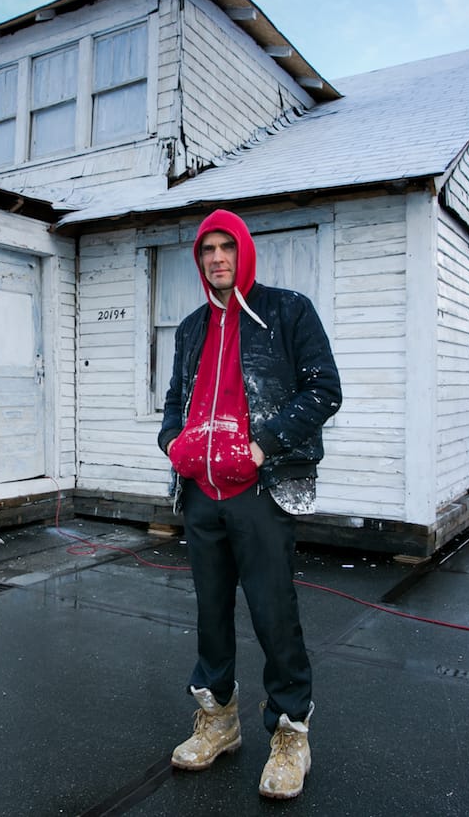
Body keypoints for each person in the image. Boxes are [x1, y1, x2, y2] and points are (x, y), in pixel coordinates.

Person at [157, 209, 342, 799]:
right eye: (207, 249)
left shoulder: (287, 312)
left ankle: (291, 735)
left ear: (244, 252)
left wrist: (263, 446)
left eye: (226, 247)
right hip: (201, 497)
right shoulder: (189, 330)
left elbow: (324, 389)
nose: (216, 258)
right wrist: (174, 446)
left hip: (259, 494)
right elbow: (172, 407)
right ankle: (218, 721)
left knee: (273, 615)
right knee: (210, 615)